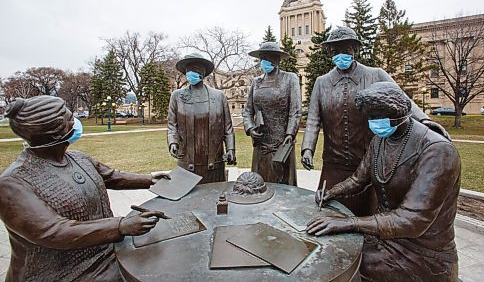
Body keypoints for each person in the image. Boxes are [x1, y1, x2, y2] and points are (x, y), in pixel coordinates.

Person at [0, 96, 171, 282]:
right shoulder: (13, 183)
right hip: (61, 273)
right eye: (71, 119)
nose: (76, 122)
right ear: (57, 131)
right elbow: (54, 231)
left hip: (107, 251)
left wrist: (150, 179)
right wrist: (120, 226)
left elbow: (112, 176)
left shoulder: (77, 158)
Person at [307, 82, 460, 281]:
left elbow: (412, 220)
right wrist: (332, 192)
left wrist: (349, 223)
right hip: (383, 239)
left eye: (376, 117)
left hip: (422, 254)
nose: (371, 122)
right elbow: (358, 179)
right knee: (330, 249)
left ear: (397, 114)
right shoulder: (380, 140)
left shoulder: (438, 151)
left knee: (342, 266)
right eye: (369, 117)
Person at [301, 26, 449, 216]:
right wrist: (307, 149)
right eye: (336, 51)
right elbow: (313, 119)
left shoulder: (375, 74)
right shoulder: (322, 82)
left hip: (369, 160)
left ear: (354, 50)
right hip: (333, 162)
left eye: (346, 50)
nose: (341, 55)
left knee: (371, 213)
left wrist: (425, 121)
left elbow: (402, 99)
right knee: (330, 209)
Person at [167, 53, 236, 183]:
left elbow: (228, 128)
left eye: (194, 71)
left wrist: (231, 149)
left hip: (213, 162)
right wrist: (172, 142)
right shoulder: (177, 96)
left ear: (202, 74)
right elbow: (172, 126)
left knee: (215, 197)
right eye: (188, 71)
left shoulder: (219, 96)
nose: (190, 75)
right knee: (188, 200)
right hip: (187, 161)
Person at [242, 42, 301, 185]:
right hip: (261, 143)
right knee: (259, 184)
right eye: (261, 58)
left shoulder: (290, 78)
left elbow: (295, 111)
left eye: (266, 58)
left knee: (283, 183)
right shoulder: (256, 82)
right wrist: (250, 128)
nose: (263, 62)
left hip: (282, 144)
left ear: (276, 60)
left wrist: (290, 134)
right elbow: (248, 111)